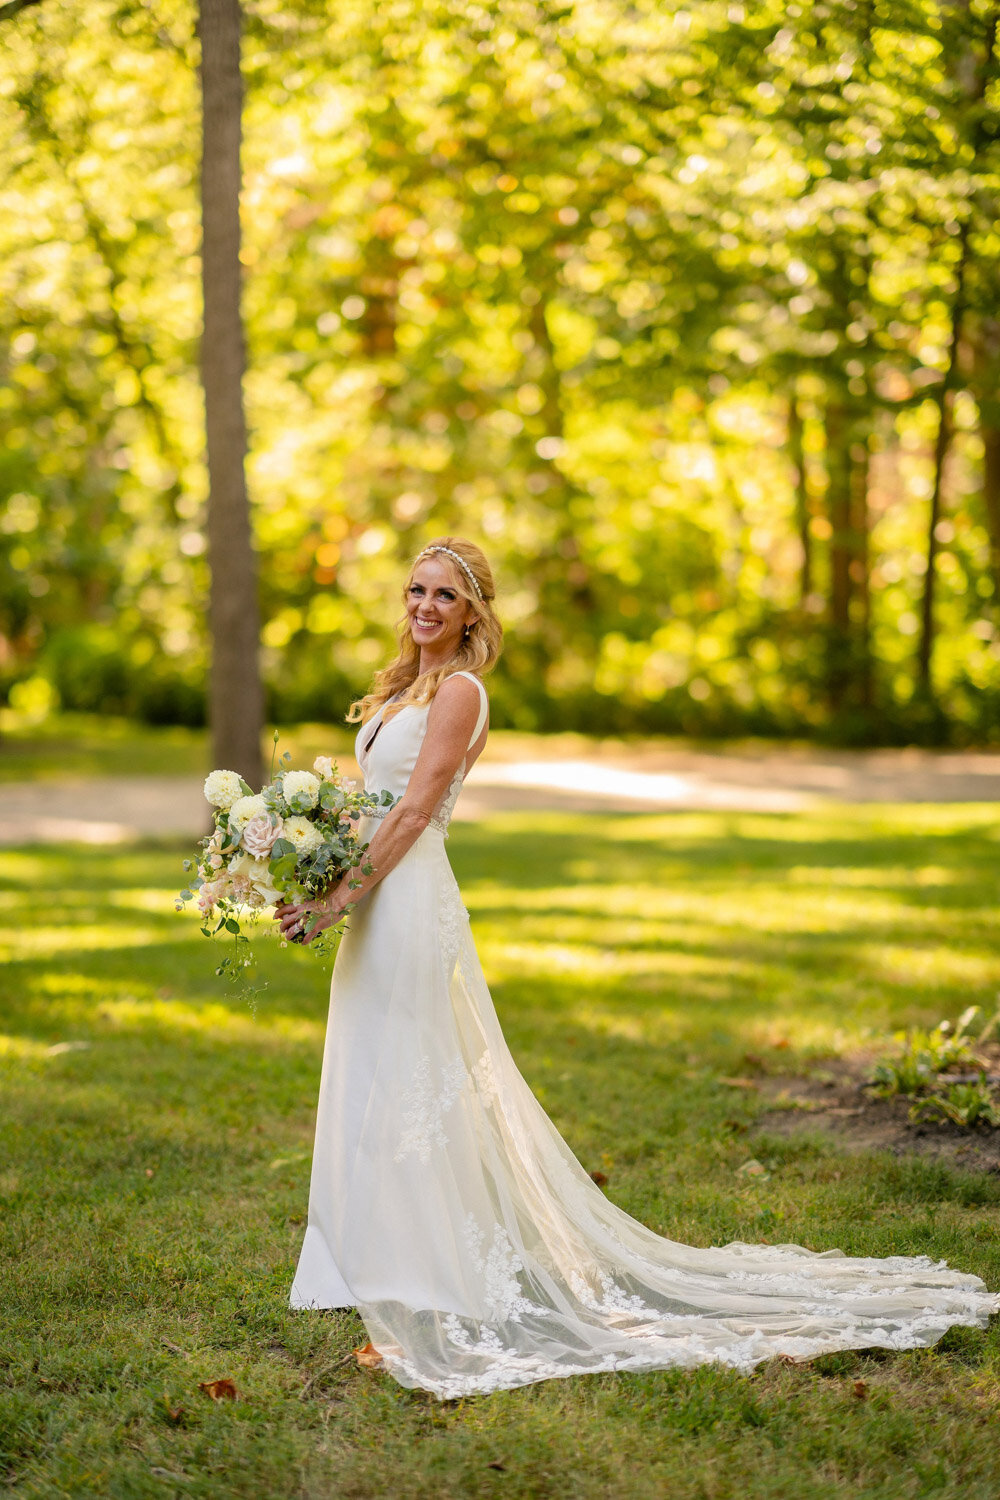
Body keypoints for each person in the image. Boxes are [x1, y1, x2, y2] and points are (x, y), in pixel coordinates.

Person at [276, 536, 998, 1401]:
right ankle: (357, 1258)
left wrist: (335, 899)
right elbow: (371, 808)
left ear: (473, 612)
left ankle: (433, 1271)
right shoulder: (398, 688)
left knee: (422, 1076)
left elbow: (416, 812)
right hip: (374, 899)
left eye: (445, 595)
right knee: (373, 1068)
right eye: (416, 591)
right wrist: (308, 862)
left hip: (408, 898)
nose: (426, 606)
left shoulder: (462, 693)